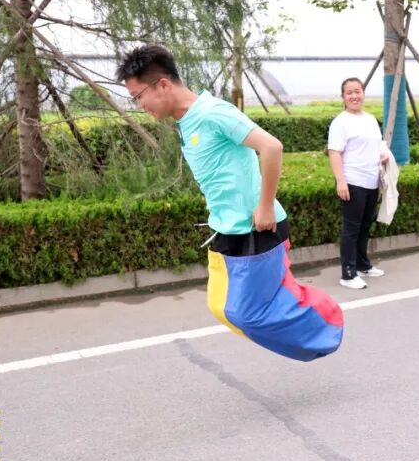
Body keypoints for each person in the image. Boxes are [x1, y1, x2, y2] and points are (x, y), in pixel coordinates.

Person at [116, 44, 343, 361]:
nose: (139, 105)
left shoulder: (212, 113)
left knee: (248, 315)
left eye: (138, 96)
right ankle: (303, 315)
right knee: (222, 307)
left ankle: (325, 316)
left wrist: (265, 206)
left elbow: (272, 147)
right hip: (226, 228)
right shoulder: (186, 121)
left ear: (163, 84)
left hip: (257, 228)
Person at [327, 77, 392, 290]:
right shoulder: (340, 122)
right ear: (343, 97)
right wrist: (341, 181)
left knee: (365, 226)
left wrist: (383, 155)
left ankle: (363, 265)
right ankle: (348, 274)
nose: (354, 96)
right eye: (350, 93)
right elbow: (334, 152)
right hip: (352, 182)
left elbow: (378, 144)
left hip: (371, 181)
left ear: (363, 93)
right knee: (351, 229)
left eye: (358, 91)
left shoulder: (370, 119)